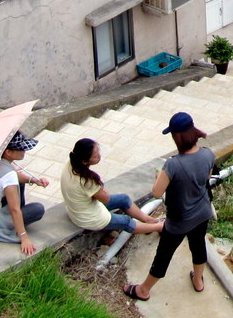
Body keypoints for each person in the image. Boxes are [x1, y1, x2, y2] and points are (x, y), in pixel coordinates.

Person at [123, 112, 216, 301]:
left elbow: (157, 193)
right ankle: (198, 280)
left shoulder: (173, 164)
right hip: (202, 212)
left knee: (163, 255)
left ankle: (143, 290)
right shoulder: (208, 153)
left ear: (177, 137)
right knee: (198, 247)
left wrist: (159, 176)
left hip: (179, 220)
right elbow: (206, 178)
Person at [61, 138, 164, 242]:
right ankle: (159, 227)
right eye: (96, 156)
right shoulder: (87, 181)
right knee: (126, 221)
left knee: (124, 199)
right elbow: (106, 199)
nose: (100, 156)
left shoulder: (71, 162)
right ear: (84, 161)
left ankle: (149, 220)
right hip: (89, 218)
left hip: (78, 209)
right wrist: (100, 189)